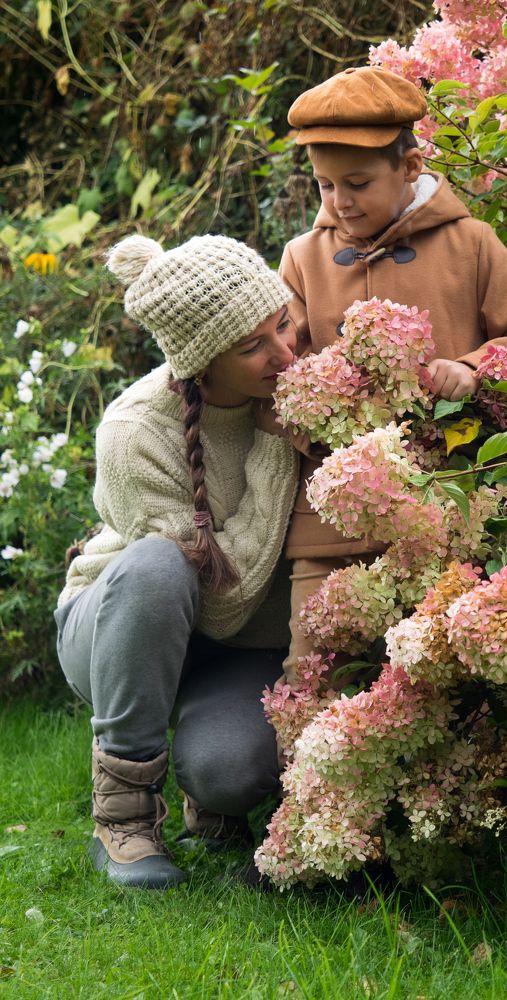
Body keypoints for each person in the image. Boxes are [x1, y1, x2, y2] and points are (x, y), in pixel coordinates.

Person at [278, 65, 507, 676]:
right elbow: (276, 380)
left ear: (409, 168)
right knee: (313, 681)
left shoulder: (472, 244)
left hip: (449, 514)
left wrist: (473, 370)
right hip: (330, 532)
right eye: (325, 185)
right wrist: (319, 418)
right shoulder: (303, 259)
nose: (339, 203)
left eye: (356, 182)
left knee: (442, 681)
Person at [55, 233, 299, 889]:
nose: (286, 353)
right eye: (253, 347)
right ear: (202, 363)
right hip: (120, 624)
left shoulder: (307, 387)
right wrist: (275, 451)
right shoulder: (135, 431)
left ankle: (207, 798)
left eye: (283, 322)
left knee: (229, 771)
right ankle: (125, 817)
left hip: (237, 648)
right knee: (162, 565)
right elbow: (220, 603)